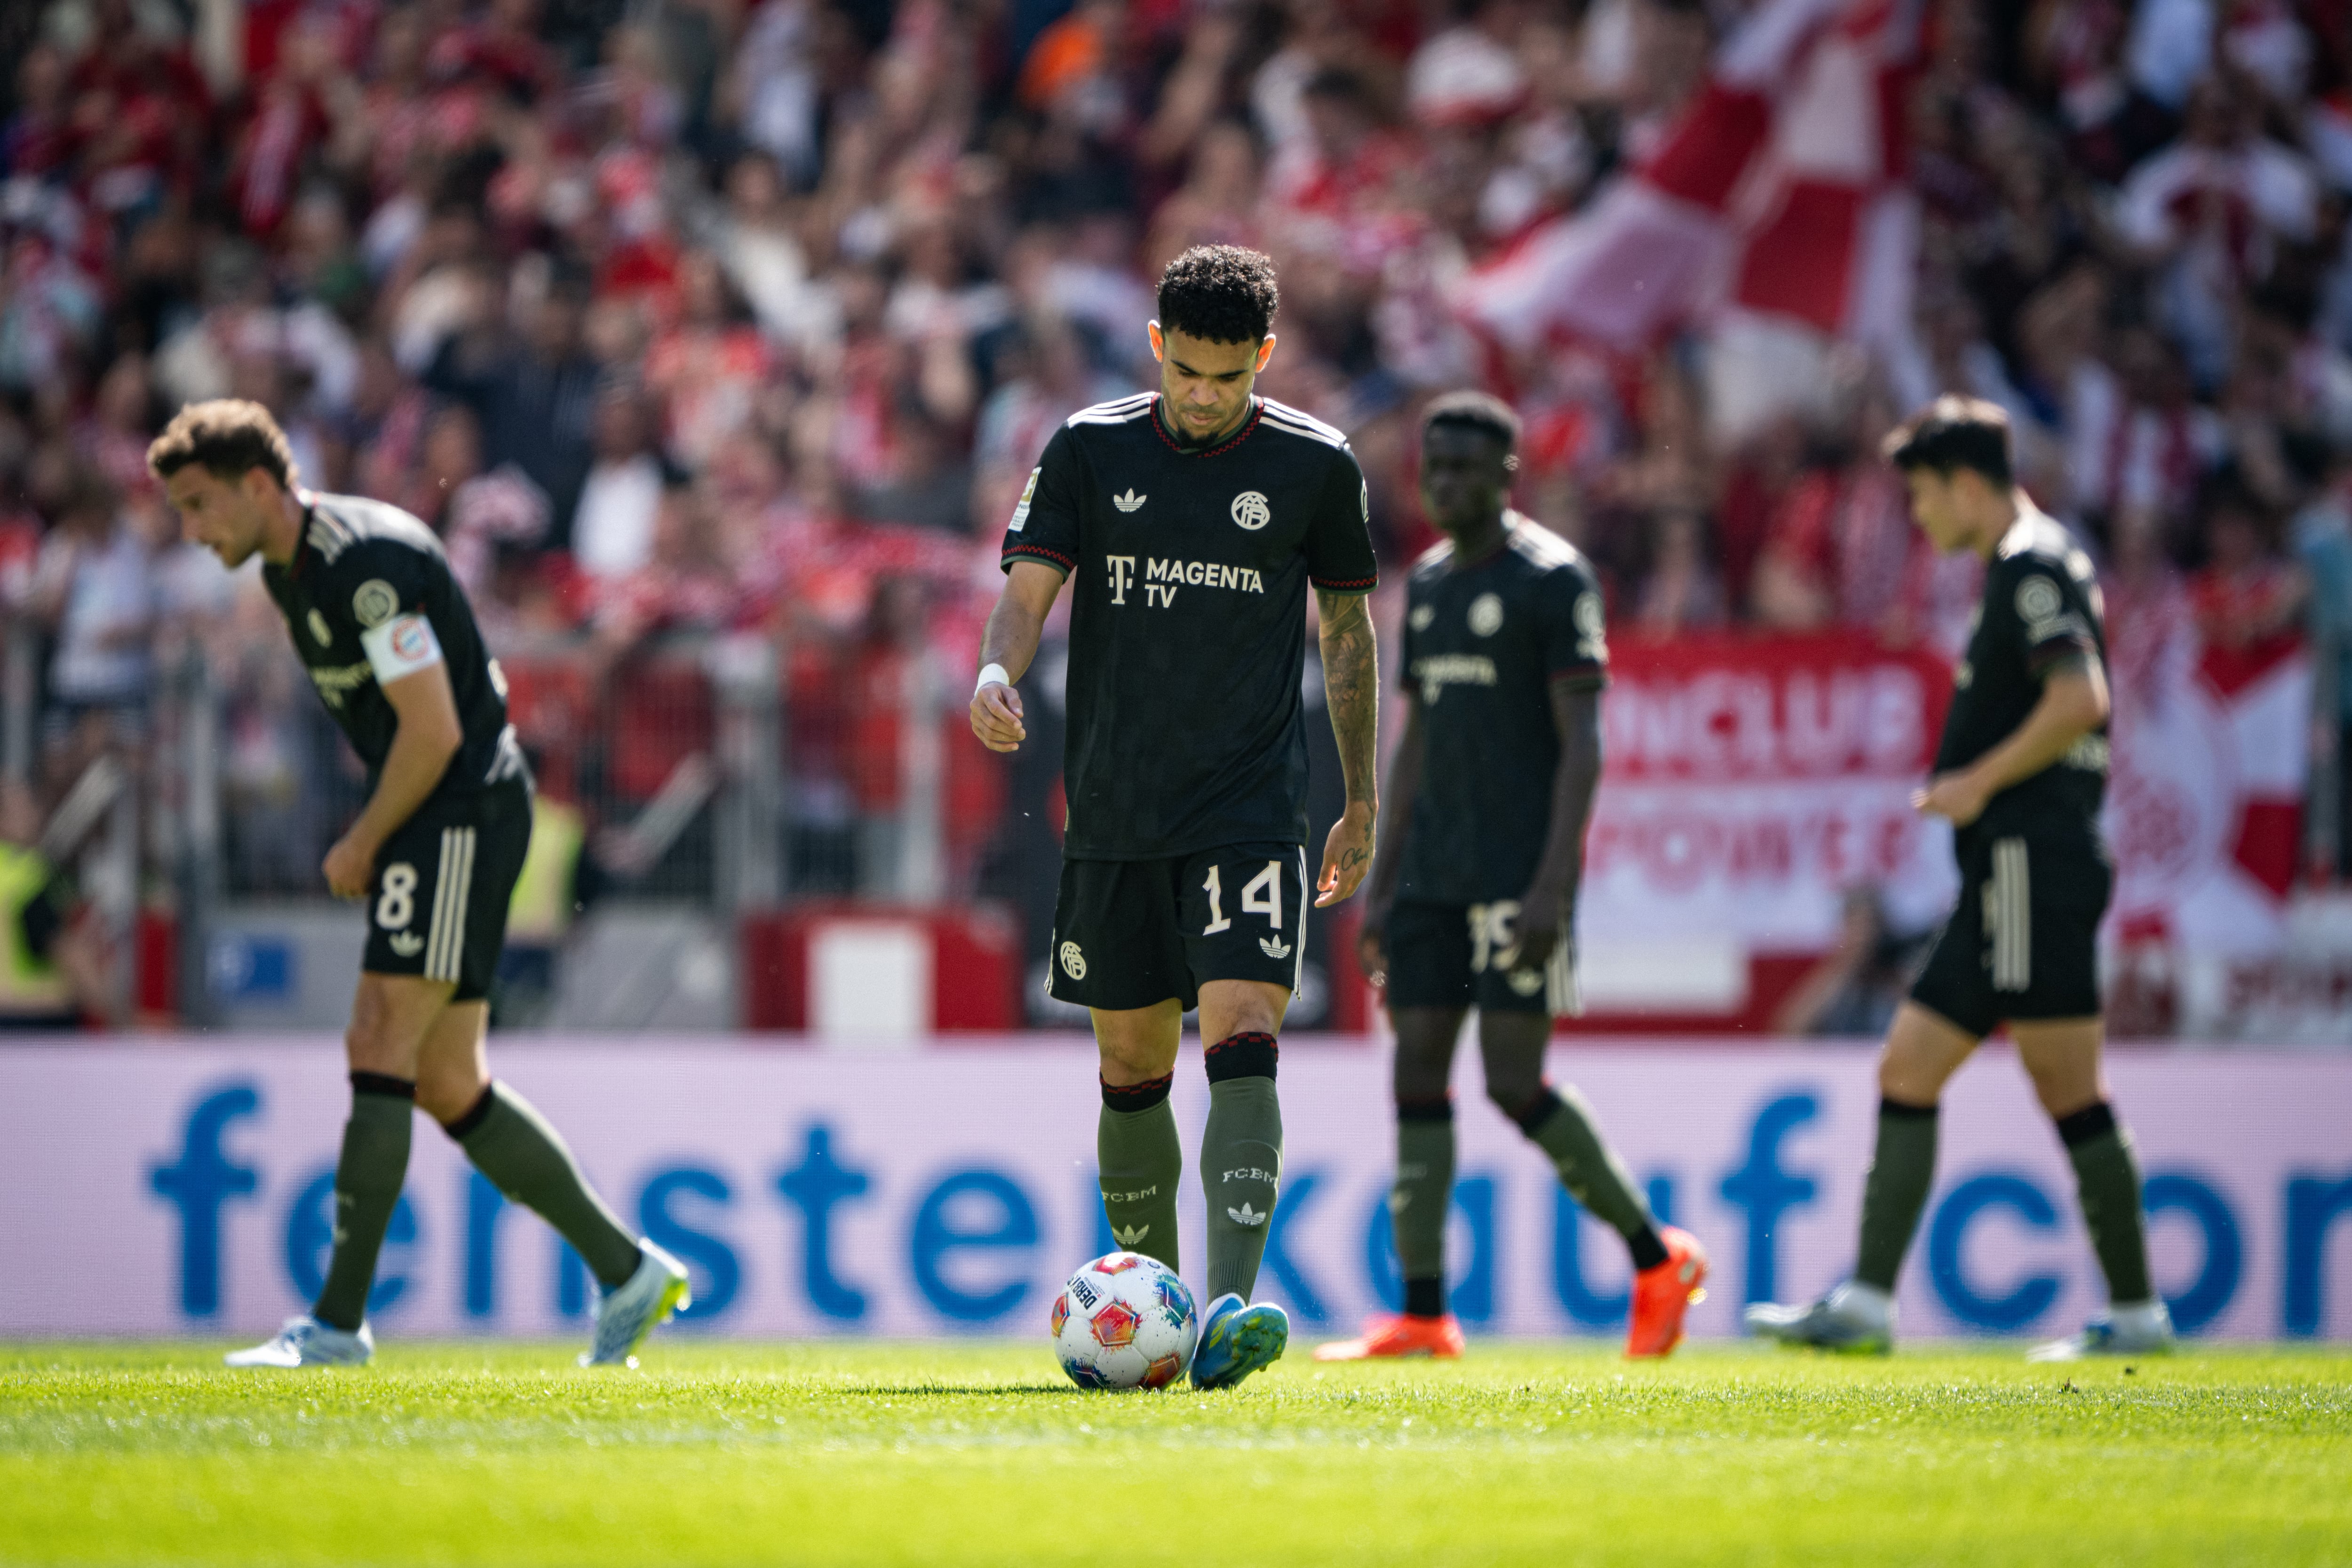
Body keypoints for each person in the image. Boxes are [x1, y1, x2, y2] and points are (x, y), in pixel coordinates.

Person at [147, 400, 689, 1370]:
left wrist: (363, 839)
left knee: (379, 1040)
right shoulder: (288, 569)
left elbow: (432, 731)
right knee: (443, 1077)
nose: (192, 531)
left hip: (455, 810)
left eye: (199, 505)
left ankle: (337, 1323)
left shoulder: (362, 565)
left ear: (259, 486)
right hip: (441, 812)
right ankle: (625, 1269)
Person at [969, 246, 1382, 1390]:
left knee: (1247, 1019)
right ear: (1157, 346)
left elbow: (1347, 638)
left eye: (1226, 376)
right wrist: (995, 676)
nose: (1204, 396)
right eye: (1187, 371)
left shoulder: (1314, 466)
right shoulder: (1089, 447)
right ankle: (1163, 1315)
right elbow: (1024, 594)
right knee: (1130, 1056)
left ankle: (1234, 1299)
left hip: (1250, 803)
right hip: (1113, 807)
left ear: (1263, 356)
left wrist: (1363, 796)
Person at [1746, 397, 2169, 1362]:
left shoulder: (2029, 565)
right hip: (2005, 873)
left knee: (2066, 1084)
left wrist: (1976, 778)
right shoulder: (2028, 560)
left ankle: (2140, 1315)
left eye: (1923, 496)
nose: (1920, 518)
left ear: (1967, 483)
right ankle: (1862, 1302)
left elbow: (2081, 698)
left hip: (2031, 862)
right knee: (1908, 1067)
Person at [1321, 393, 1708, 1363]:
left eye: (1463, 469)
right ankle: (1421, 1313)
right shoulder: (1433, 584)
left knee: (1510, 1079)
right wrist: (1382, 873)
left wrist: (1553, 889)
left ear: (1507, 477)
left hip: (1513, 877)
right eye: (1431, 467)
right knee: (1414, 1070)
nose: (1442, 484)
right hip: (1431, 879)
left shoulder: (1551, 580)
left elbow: (1583, 744)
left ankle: (1656, 1255)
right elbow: (1413, 743)